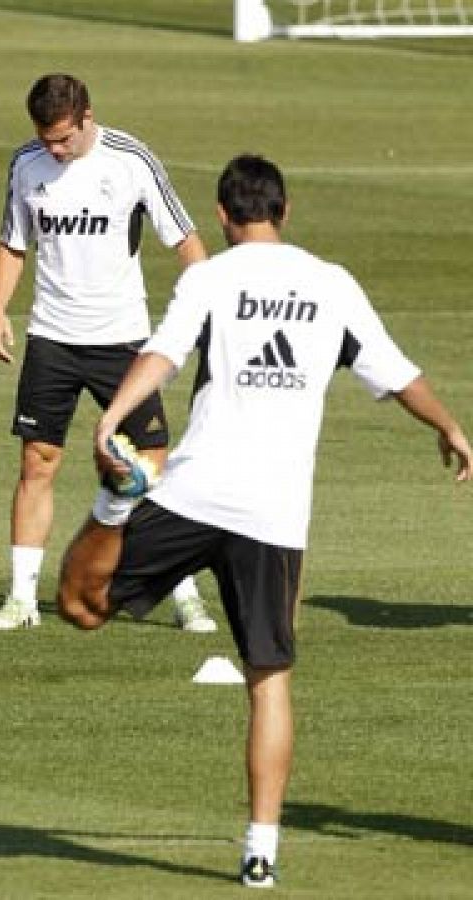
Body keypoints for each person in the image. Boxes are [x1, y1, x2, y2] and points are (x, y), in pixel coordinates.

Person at [57, 155, 470, 888]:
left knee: (79, 607)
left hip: (193, 494)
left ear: (221, 215)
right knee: (268, 679)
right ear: (285, 209)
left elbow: (164, 354)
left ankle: (114, 503)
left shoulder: (210, 278)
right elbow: (397, 373)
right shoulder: (331, 283)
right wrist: (448, 427)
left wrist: (115, 414)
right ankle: (260, 851)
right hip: (275, 516)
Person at [0, 72, 212, 631]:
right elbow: (14, 242)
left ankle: (182, 595)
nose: (53, 150)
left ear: (86, 118)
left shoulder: (131, 160)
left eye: (62, 139)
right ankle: (21, 599)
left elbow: (184, 239)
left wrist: (206, 310)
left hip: (124, 341)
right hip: (52, 337)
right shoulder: (26, 164)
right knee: (37, 461)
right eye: (45, 139)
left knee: (152, 469)